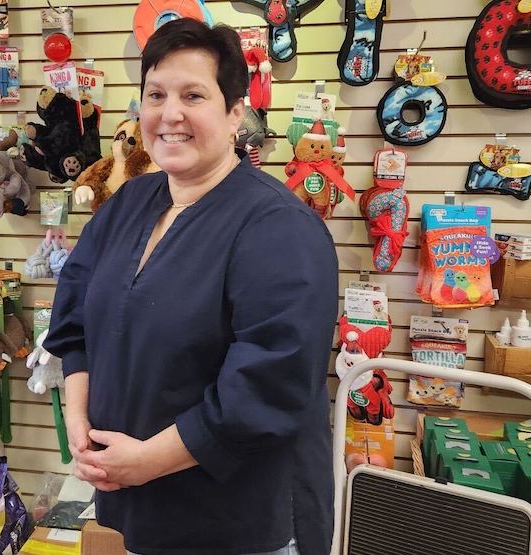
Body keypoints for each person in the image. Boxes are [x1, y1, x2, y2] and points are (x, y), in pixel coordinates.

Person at [42, 17, 338, 555]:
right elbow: (76, 315)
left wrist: (145, 461)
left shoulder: (280, 229)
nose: (170, 114)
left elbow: (268, 385)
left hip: (239, 522)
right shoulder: (132, 202)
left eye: (193, 95)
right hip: (143, 504)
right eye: (156, 94)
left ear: (234, 115)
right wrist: (79, 420)